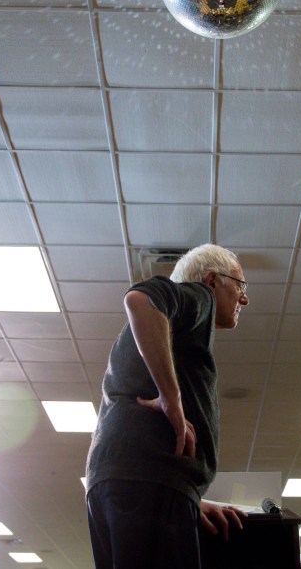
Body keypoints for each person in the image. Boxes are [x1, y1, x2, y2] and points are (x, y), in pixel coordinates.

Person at [85, 244, 250, 569]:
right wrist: (171, 400)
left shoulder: (174, 329)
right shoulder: (199, 296)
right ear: (213, 279)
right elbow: (140, 299)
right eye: (240, 286)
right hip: (149, 484)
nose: (244, 299)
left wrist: (187, 497)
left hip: (118, 485)